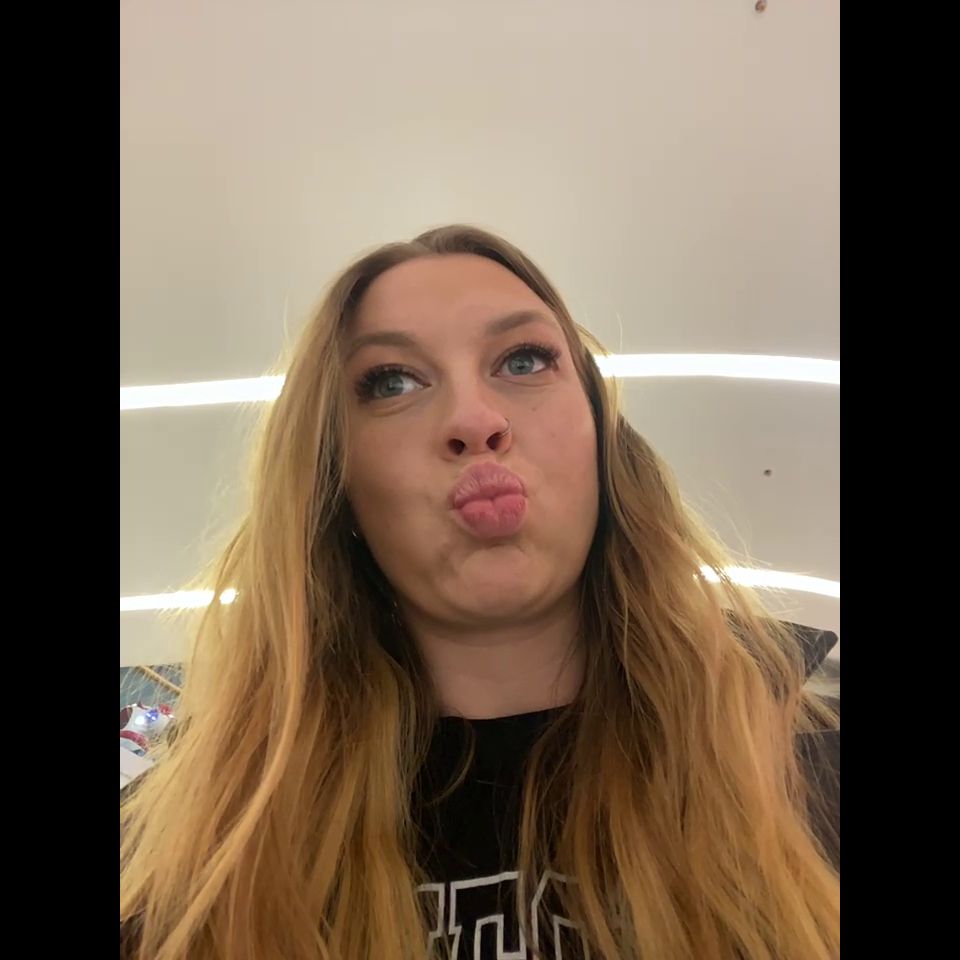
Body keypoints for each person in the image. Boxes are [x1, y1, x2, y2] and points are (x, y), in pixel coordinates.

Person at [120, 225, 839, 960]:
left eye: (523, 360)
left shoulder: (809, 778)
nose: (474, 421)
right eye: (391, 382)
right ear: (336, 480)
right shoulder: (180, 862)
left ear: (601, 434)